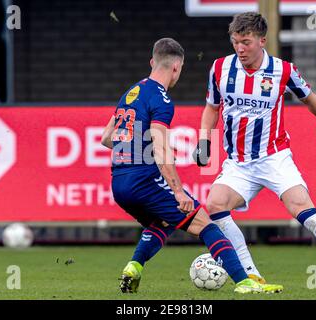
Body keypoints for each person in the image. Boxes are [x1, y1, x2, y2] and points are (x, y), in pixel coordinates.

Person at [193, 12, 316, 292]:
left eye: (246, 42)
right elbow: (211, 108)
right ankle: (251, 275)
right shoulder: (219, 68)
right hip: (238, 163)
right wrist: (204, 141)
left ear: (262, 41)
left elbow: (308, 97)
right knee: (215, 205)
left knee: (303, 209)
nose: (240, 48)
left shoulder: (282, 70)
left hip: (274, 157)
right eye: (235, 42)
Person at [101, 37, 283, 294]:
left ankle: (134, 267)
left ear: (153, 61)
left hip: (119, 182)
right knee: (206, 224)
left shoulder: (131, 93)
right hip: (144, 180)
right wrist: (177, 190)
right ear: (177, 67)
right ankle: (244, 283)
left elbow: (107, 138)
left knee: (164, 222)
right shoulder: (161, 99)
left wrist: (135, 150)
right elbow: (161, 148)